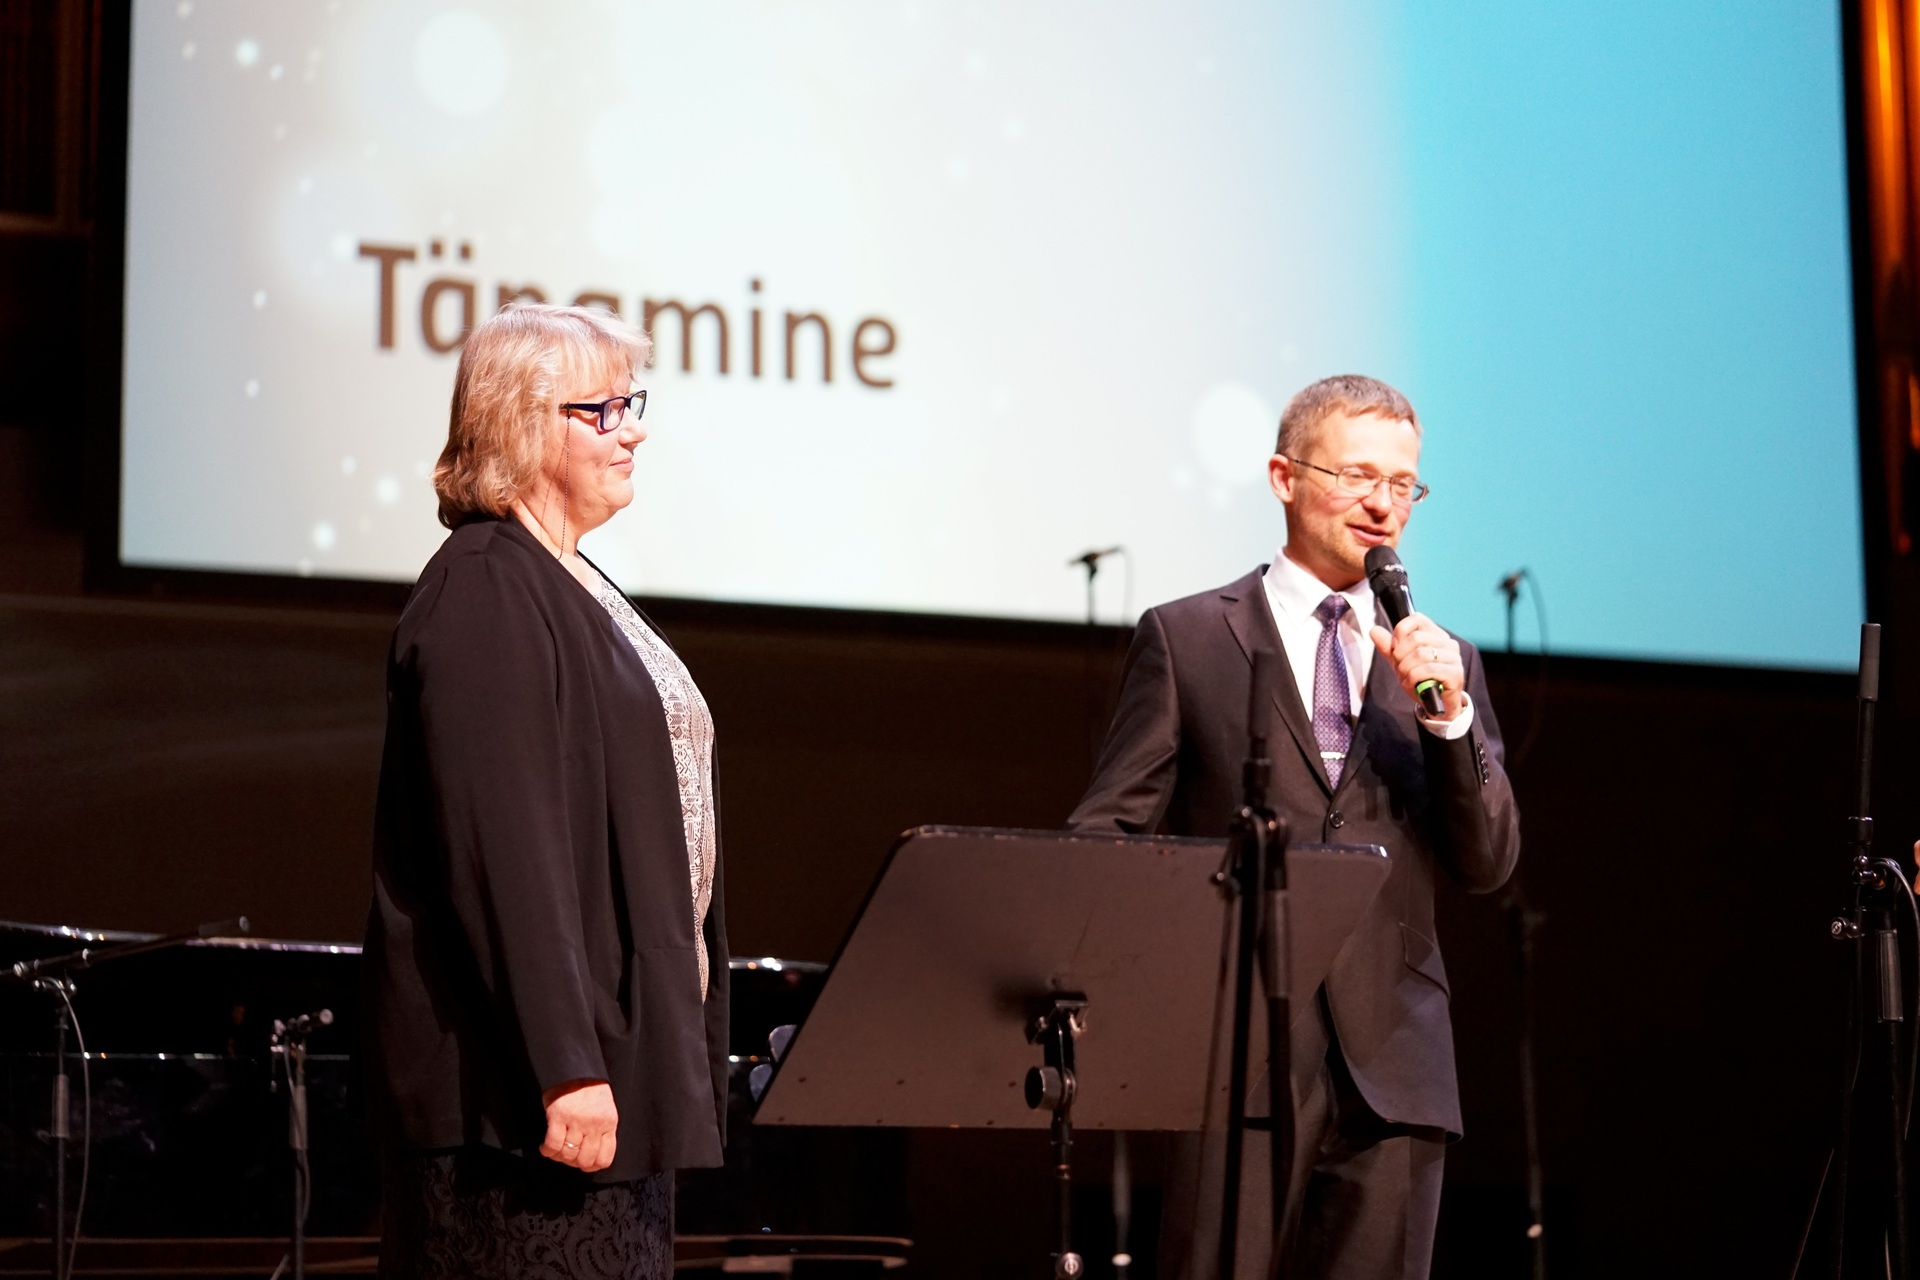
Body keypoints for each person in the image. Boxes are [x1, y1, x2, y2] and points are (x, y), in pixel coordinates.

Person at [1070, 374, 1520, 1280]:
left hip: (1396, 1061)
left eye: (1403, 484)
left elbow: (1488, 862)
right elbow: (1105, 838)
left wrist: (1450, 721)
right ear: (1284, 477)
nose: (1383, 505)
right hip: (1233, 1053)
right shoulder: (1190, 638)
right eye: (1357, 476)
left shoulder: (1443, 662)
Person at [363, 303, 728, 1279]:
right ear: (523, 423)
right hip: (523, 1107)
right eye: (602, 410)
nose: (631, 430)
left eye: (631, 404)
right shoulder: (486, 587)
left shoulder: (569, 580)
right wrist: (564, 1061)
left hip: (606, 1080)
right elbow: (503, 854)